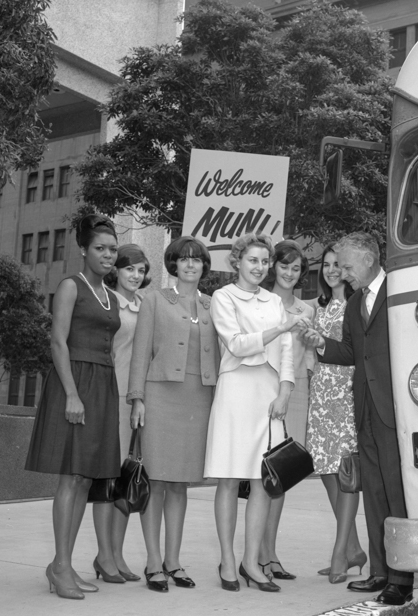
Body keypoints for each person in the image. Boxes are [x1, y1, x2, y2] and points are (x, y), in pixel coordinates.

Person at [301, 232, 414, 606]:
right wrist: (319, 342)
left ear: (368, 260)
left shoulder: (400, 292)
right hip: (362, 408)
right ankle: (380, 571)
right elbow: (350, 352)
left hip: (395, 408)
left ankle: (402, 576)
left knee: (396, 492)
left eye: (347, 265)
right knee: (376, 493)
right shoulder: (354, 304)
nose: (344, 273)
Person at [25, 214, 121, 600]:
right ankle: (60, 566)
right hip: (74, 383)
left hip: (102, 385)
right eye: (100, 248)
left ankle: (63, 563)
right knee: (70, 476)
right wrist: (71, 393)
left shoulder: (110, 296)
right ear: (84, 250)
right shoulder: (71, 285)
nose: (108, 255)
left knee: (85, 478)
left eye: (113, 249)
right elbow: (58, 342)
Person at [203, 233, 300, 594]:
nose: (259, 267)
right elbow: (237, 344)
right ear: (237, 262)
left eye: (264, 261)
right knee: (229, 479)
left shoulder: (274, 300)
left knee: (263, 480)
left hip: (269, 394)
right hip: (236, 391)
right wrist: (280, 328)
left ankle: (251, 561)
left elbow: (287, 351)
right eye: (252, 260)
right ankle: (227, 560)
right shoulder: (222, 297)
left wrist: (286, 391)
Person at [127, 236, 219, 593]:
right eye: (184, 259)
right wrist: (137, 398)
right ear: (173, 264)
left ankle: (174, 561)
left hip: (199, 400)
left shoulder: (214, 305)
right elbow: (140, 351)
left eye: (197, 260)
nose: (191, 265)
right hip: (160, 395)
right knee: (157, 481)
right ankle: (153, 561)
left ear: (204, 266)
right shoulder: (155, 299)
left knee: (180, 483)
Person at [305, 243, 366, 584]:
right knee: (327, 472)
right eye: (326, 265)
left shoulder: (357, 304)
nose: (330, 270)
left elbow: (353, 351)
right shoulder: (319, 307)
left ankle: (340, 553)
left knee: (346, 474)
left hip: (345, 393)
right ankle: (355, 549)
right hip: (321, 394)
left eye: (336, 264)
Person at [91, 244, 151, 584]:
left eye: (141, 270)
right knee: (107, 477)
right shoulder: (107, 301)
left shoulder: (146, 304)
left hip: (137, 399)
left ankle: (116, 553)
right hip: (109, 396)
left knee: (126, 477)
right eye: (130, 268)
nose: (135, 275)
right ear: (118, 270)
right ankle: (104, 555)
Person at [258, 239, 316, 581]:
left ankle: (270, 552)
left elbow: (308, 358)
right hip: (264, 390)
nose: (290, 274)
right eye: (284, 266)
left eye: (296, 269)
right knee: (260, 474)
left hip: (296, 391)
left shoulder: (306, 311)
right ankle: (257, 554)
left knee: (283, 473)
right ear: (273, 267)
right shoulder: (259, 303)